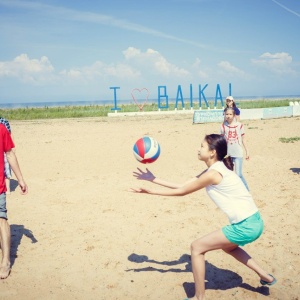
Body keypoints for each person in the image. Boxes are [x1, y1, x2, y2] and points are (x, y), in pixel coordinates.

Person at [130, 134, 276, 300]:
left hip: (245, 226)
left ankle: (200, 297)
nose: (198, 149)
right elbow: (184, 185)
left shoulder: (213, 173)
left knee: (196, 248)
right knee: (229, 247)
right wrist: (153, 179)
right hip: (255, 221)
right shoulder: (215, 169)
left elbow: (182, 192)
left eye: (202, 146)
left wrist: (151, 192)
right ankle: (266, 277)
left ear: (212, 152)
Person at [0, 123, 28, 279]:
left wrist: (21, 180)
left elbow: (9, 154)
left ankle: (5, 261)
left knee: (1, 219)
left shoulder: (1, 129)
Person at [221, 107, 250, 190]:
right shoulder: (223, 126)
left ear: (234, 115)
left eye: (230, 114)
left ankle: (246, 190)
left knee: (238, 174)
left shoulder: (239, 125)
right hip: (228, 154)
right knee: (228, 174)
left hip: (238, 153)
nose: (228, 116)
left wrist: (247, 151)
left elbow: (244, 139)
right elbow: (221, 141)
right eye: (227, 114)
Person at [0, 117, 14, 194]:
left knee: (7, 167)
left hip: (5, 148)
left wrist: (12, 148)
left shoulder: (4, 121)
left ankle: (7, 189)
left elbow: (9, 134)